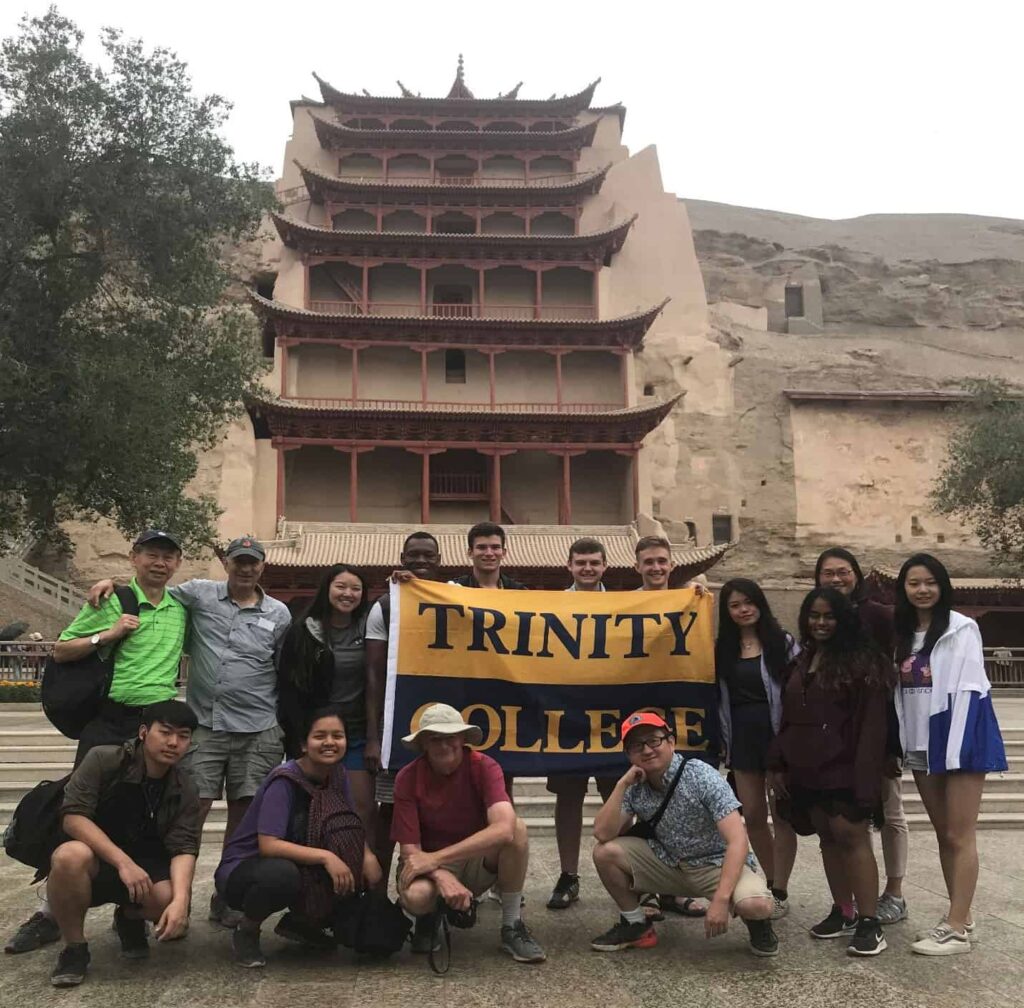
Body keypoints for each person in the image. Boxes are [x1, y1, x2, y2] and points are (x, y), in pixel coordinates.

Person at [85, 535, 292, 931]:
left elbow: (283, 666)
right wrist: (112, 582)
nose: (245, 569)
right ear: (226, 563)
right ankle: (168, 896)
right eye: (238, 561)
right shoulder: (199, 595)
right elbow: (153, 586)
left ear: (262, 567)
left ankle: (227, 893)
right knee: (188, 812)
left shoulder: (279, 613)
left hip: (258, 727)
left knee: (244, 815)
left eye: (253, 563)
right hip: (206, 727)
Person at [5, 530, 188, 958]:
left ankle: (129, 911)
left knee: (146, 814)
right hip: (110, 719)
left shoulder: (182, 609)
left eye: (168, 557)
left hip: (156, 724)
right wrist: (106, 635)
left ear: (177, 564)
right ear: (134, 557)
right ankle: (52, 911)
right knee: (82, 809)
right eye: (151, 555)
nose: (159, 563)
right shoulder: (110, 601)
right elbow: (61, 650)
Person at [768, 588, 895, 956]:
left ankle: (870, 923)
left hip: (847, 762)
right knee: (826, 836)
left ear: (843, 620)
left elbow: (873, 728)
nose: (821, 623)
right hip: (806, 765)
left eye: (829, 616)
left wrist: (866, 781)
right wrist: (777, 762)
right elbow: (787, 716)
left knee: (850, 834)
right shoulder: (802, 659)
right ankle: (844, 911)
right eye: (814, 616)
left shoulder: (863, 662)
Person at [892, 553, 1007, 956]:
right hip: (922, 744)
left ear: (942, 586)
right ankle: (963, 913)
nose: (922, 590)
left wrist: (956, 747)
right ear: (903, 589)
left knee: (960, 834)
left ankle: (956, 929)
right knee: (944, 834)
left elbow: (971, 688)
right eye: (913, 583)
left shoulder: (962, 628)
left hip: (959, 740)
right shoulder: (902, 634)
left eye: (930, 582)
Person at [590, 712, 777, 956]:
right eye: (637, 745)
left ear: (671, 741)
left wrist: (720, 900)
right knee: (605, 853)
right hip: (670, 864)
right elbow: (602, 833)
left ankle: (758, 925)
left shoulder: (701, 775)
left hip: (716, 865)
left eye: (654, 741)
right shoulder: (635, 784)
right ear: (629, 755)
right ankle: (635, 924)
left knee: (756, 905)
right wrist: (621, 784)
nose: (647, 750)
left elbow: (738, 840)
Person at [46, 700, 200, 988]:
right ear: (143, 732)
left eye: (183, 736)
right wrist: (123, 862)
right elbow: (73, 817)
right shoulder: (104, 760)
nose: (173, 742)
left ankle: (129, 917)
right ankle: (74, 948)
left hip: (146, 867)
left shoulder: (185, 786)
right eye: (165, 732)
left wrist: (181, 901)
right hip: (98, 861)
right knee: (69, 856)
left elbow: (184, 847)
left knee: (170, 898)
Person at [214, 706, 382, 968]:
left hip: (301, 858)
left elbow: (349, 823)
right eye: (320, 736)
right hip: (248, 869)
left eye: (337, 736)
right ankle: (247, 930)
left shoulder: (338, 775)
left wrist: (367, 856)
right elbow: (268, 845)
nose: (329, 742)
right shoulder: (285, 780)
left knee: (351, 859)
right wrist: (327, 857)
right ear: (304, 744)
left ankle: (303, 924)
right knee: (283, 875)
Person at [392, 703, 546, 964]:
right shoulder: (407, 777)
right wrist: (440, 873)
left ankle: (512, 924)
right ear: (424, 745)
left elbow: (505, 827)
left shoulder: (485, 766)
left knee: (518, 829)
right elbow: (410, 851)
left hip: (474, 858)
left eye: (450, 737)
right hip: (428, 863)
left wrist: (436, 858)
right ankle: (428, 918)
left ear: (462, 739)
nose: (444, 746)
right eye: (435, 739)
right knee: (416, 897)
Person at [815, 546, 908, 924]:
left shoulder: (880, 616)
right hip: (838, 735)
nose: (836, 579)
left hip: (880, 725)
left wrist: (891, 741)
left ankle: (895, 892)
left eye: (843, 572)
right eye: (828, 573)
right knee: (852, 817)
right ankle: (852, 900)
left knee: (890, 809)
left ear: (857, 575)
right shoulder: (821, 618)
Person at [631, 534, 709, 919]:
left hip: (676, 718)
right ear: (637, 567)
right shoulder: (625, 605)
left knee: (677, 807)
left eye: (662, 561)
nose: (656, 568)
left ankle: (677, 889)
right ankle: (644, 889)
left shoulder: (689, 601)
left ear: (671, 565)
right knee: (638, 805)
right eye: (649, 562)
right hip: (637, 721)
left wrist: (699, 597)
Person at [716, 578, 799, 919]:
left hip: (779, 736)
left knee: (782, 813)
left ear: (760, 603)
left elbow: (799, 693)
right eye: (735, 605)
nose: (743, 609)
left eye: (748, 602)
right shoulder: (722, 649)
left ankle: (781, 888)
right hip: (742, 737)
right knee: (751, 815)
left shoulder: (783, 643)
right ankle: (770, 878)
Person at [365, 531, 444, 884]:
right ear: (402, 557)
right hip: (396, 723)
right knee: (390, 808)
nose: (421, 562)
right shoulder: (385, 606)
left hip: (442, 726)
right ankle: (378, 893)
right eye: (414, 555)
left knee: (437, 810)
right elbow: (373, 676)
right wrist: (373, 736)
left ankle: (424, 890)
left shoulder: (455, 599)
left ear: (439, 561)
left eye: (429, 556)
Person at [546, 538, 618, 910]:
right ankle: (568, 873)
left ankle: (628, 870)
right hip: (569, 714)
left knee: (617, 795)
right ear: (569, 566)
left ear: (605, 566)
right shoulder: (554, 605)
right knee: (568, 797)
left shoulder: (626, 604)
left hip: (611, 715)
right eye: (581, 563)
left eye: (594, 562)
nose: (587, 568)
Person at [277, 564, 375, 831]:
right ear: (327, 589)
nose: (348, 594)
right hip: (316, 732)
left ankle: (358, 866)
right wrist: (298, 738)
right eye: (340, 586)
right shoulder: (304, 631)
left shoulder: (370, 628)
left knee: (362, 806)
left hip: (356, 731)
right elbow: (289, 687)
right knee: (312, 806)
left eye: (355, 588)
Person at [449, 521, 527, 590]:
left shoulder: (519, 591)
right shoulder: (455, 589)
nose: (489, 553)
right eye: (481, 547)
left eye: (495, 547)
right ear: (470, 553)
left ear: (503, 553)